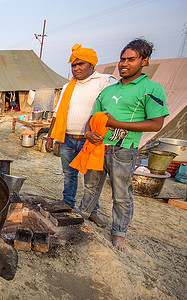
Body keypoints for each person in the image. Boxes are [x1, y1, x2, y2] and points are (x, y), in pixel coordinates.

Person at [78, 38, 169, 251]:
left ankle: (119, 233)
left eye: (131, 59)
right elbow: (93, 118)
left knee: (121, 194)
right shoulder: (108, 90)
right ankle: (81, 219)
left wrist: (114, 123)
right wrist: (89, 133)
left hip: (123, 150)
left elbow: (156, 124)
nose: (124, 64)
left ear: (144, 61)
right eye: (122, 59)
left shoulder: (151, 88)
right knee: (90, 187)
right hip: (98, 148)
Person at [46, 44, 116, 228]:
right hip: (68, 138)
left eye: (80, 64)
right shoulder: (68, 86)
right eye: (73, 65)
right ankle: (67, 203)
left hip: (90, 140)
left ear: (92, 64)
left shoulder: (105, 81)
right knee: (69, 174)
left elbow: (111, 108)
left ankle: (92, 211)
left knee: (92, 179)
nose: (76, 68)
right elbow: (57, 113)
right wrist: (49, 136)